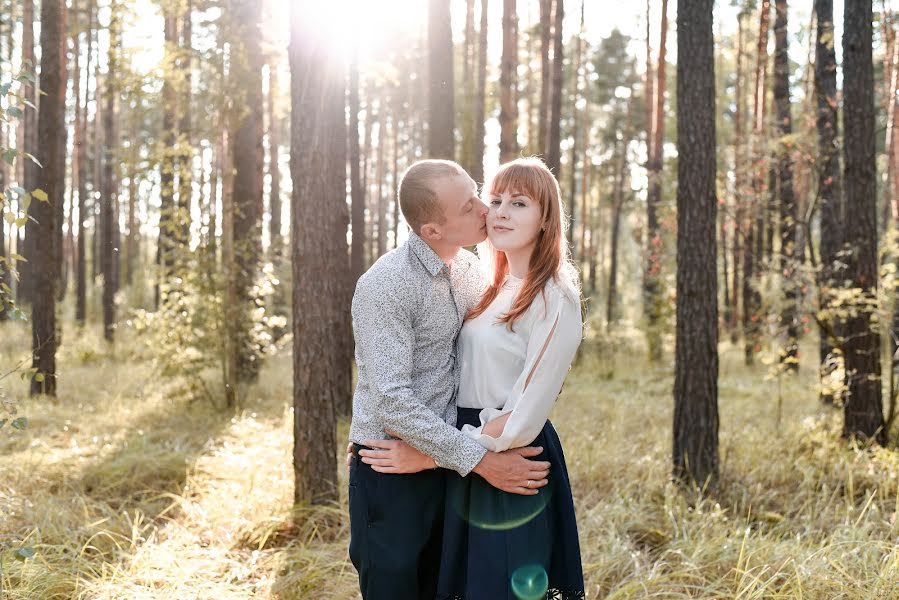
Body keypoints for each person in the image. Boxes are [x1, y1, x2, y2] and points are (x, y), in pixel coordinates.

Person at [364, 158, 585, 599]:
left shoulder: (554, 297)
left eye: (519, 203)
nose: (499, 211)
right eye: (496, 199)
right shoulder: (488, 284)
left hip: (509, 459)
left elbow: (524, 414)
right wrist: (368, 426)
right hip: (468, 459)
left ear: (546, 221)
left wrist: (431, 457)